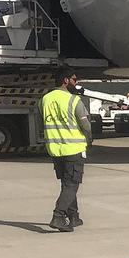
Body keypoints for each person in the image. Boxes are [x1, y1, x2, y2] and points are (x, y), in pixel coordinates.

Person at [41, 67, 92, 232]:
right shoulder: (74, 100)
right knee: (72, 185)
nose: (76, 83)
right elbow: (85, 125)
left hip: (55, 149)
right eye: (74, 80)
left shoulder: (45, 99)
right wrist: (89, 139)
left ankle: (74, 216)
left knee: (66, 184)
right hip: (73, 148)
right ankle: (58, 216)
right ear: (66, 80)